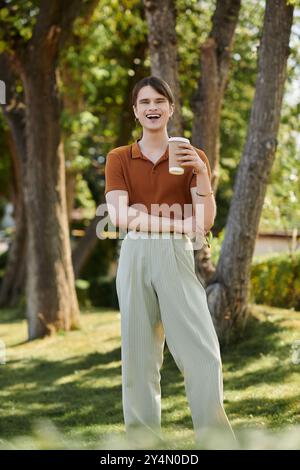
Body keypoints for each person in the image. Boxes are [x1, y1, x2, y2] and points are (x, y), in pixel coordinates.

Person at [104, 75, 236, 448]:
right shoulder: (119, 158)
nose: (152, 108)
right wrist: (178, 223)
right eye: (144, 102)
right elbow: (120, 216)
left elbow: (204, 221)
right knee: (139, 361)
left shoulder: (192, 157)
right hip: (136, 254)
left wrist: (203, 173)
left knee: (202, 356)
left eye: (159, 101)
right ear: (135, 110)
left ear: (171, 108)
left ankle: (216, 443)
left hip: (176, 257)